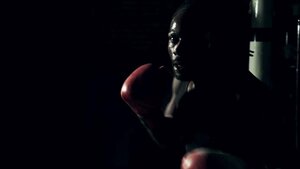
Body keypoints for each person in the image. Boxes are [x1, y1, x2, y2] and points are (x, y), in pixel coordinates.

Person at [121, 0, 287, 168]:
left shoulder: (249, 97)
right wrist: (147, 115)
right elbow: (173, 140)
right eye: (173, 39)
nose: (177, 48)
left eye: (190, 39)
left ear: (210, 42)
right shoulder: (183, 88)